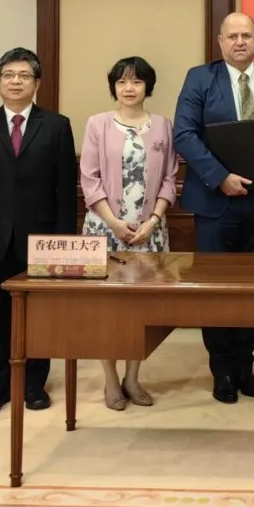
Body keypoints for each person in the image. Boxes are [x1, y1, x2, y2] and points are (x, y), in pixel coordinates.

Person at [174, 12, 254, 403]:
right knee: (217, 289)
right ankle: (221, 370)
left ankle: (245, 366)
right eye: (232, 36)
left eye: (246, 35)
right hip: (214, 202)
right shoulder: (200, 78)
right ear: (220, 41)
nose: (240, 42)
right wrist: (219, 176)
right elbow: (184, 134)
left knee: (253, 290)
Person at [0, 47, 78, 417]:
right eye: (8, 75)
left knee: (38, 312)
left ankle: (34, 385)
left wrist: (63, 243)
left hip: (41, 237)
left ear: (37, 83)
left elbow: (64, 189)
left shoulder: (57, 125)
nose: (15, 81)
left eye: (24, 75)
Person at [79, 56, 178, 411]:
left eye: (136, 81)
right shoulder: (98, 124)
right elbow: (89, 179)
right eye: (122, 82)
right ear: (114, 87)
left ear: (147, 86)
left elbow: (169, 178)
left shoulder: (163, 127)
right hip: (105, 230)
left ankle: (133, 378)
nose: (129, 88)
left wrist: (152, 220)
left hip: (150, 231)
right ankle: (109, 379)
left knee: (142, 308)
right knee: (106, 308)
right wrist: (115, 223)